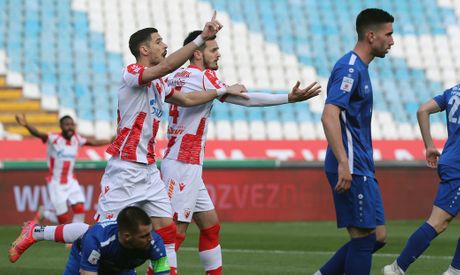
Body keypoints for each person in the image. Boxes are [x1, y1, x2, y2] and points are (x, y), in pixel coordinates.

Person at [94, 12, 247, 275]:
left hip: (149, 168)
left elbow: (187, 100)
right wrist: (200, 39)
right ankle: (41, 233)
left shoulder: (160, 84)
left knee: (168, 232)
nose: (164, 45)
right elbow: (164, 68)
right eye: (159, 41)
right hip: (125, 167)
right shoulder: (131, 72)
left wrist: (222, 91)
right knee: (99, 234)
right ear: (144, 50)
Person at [160, 30, 321, 274]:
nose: (218, 53)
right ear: (197, 53)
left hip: (182, 160)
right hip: (184, 163)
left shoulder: (175, 75)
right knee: (175, 233)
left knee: (210, 226)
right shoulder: (205, 77)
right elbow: (246, 99)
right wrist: (288, 98)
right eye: (213, 49)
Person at [315, 8, 394, 275]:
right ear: (371, 36)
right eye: (389, 34)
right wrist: (343, 163)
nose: (392, 41)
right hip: (351, 164)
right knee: (363, 239)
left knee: (378, 236)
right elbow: (329, 115)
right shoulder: (349, 69)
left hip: (362, 164)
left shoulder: (361, 68)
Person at [382, 85, 460, 274]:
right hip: (459, 166)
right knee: (438, 222)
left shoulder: (453, 92)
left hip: (451, 159)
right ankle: (397, 268)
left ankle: (455, 271)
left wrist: (429, 146)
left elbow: (422, 110)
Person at [9, 206, 170, 274]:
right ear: (127, 236)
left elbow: (163, 272)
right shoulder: (96, 241)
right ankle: (37, 232)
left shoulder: (156, 243)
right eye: (144, 236)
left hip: (122, 268)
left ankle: (37, 232)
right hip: (83, 256)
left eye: (150, 233)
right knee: (91, 233)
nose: (151, 239)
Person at [15, 114, 111, 225]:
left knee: (79, 208)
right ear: (61, 126)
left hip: (71, 181)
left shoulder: (76, 138)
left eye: (72, 125)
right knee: (62, 219)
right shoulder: (54, 139)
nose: (70, 127)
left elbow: (93, 142)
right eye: (67, 125)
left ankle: (74, 238)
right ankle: (44, 213)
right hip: (56, 183)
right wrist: (26, 125)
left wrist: (110, 140)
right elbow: (38, 134)